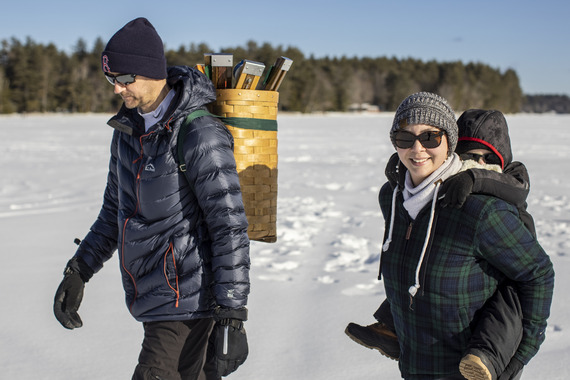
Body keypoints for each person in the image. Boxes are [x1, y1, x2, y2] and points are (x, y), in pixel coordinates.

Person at [53, 17, 250, 380]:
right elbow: (115, 211)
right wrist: (79, 270)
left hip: (189, 300)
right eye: (113, 79)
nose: (118, 89)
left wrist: (232, 314)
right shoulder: (127, 131)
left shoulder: (199, 133)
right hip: (156, 296)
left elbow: (229, 226)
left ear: (151, 72)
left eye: (125, 79)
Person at [350, 92, 554, 380]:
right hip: (414, 368)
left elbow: (538, 273)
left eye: (430, 137)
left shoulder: (481, 210)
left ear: (450, 142)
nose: (417, 149)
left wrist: (520, 356)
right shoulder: (392, 198)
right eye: (405, 139)